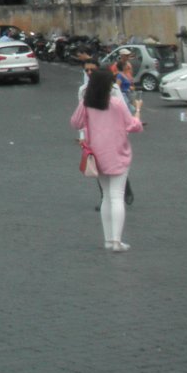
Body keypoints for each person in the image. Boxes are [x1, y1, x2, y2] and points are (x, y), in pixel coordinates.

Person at [70, 68, 142, 251]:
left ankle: (108, 240)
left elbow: (75, 123)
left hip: (97, 154)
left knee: (106, 197)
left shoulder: (87, 103)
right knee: (117, 196)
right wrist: (138, 111)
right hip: (118, 153)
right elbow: (133, 126)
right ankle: (117, 241)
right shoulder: (116, 104)